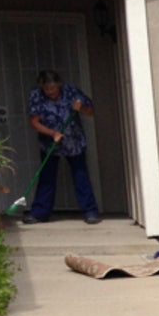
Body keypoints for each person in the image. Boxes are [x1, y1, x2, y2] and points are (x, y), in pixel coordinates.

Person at [23, 70, 101, 225]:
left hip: (74, 142)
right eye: (47, 89)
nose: (50, 92)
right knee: (47, 177)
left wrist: (81, 108)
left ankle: (90, 212)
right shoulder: (36, 96)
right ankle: (39, 213)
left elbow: (90, 111)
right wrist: (52, 133)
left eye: (53, 88)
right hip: (50, 143)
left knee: (81, 176)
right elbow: (34, 122)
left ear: (59, 84)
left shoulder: (71, 91)